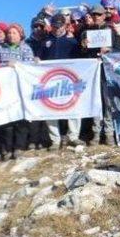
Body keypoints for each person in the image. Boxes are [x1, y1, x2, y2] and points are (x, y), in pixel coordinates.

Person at [80, 4, 120, 146]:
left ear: (104, 15)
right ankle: (96, 133)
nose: (96, 17)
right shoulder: (86, 33)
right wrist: (83, 46)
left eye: (98, 14)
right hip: (93, 72)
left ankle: (109, 133)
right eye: (93, 15)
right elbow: (82, 54)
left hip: (108, 71)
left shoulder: (112, 30)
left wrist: (110, 49)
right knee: (95, 101)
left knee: (109, 102)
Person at [39, 14, 84, 149]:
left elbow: (81, 59)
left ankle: (73, 136)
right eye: (54, 26)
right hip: (51, 81)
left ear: (65, 25)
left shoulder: (72, 42)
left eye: (59, 26)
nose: (57, 29)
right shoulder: (45, 42)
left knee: (74, 106)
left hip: (69, 80)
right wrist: (36, 61)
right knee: (49, 108)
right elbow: (39, 58)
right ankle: (55, 139)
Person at [0, 23, 35, 160]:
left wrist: (17, 65)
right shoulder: (1, 48)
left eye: (14, 33)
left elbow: (30, 67)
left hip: (20, 88)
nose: (11, 35)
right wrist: (6, 65)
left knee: (21, 119)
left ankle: (19, 147)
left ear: (20, 35)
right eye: (9, 33)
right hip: (5, 89)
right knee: (7, 118)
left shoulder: (26, 48)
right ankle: (7, 148)